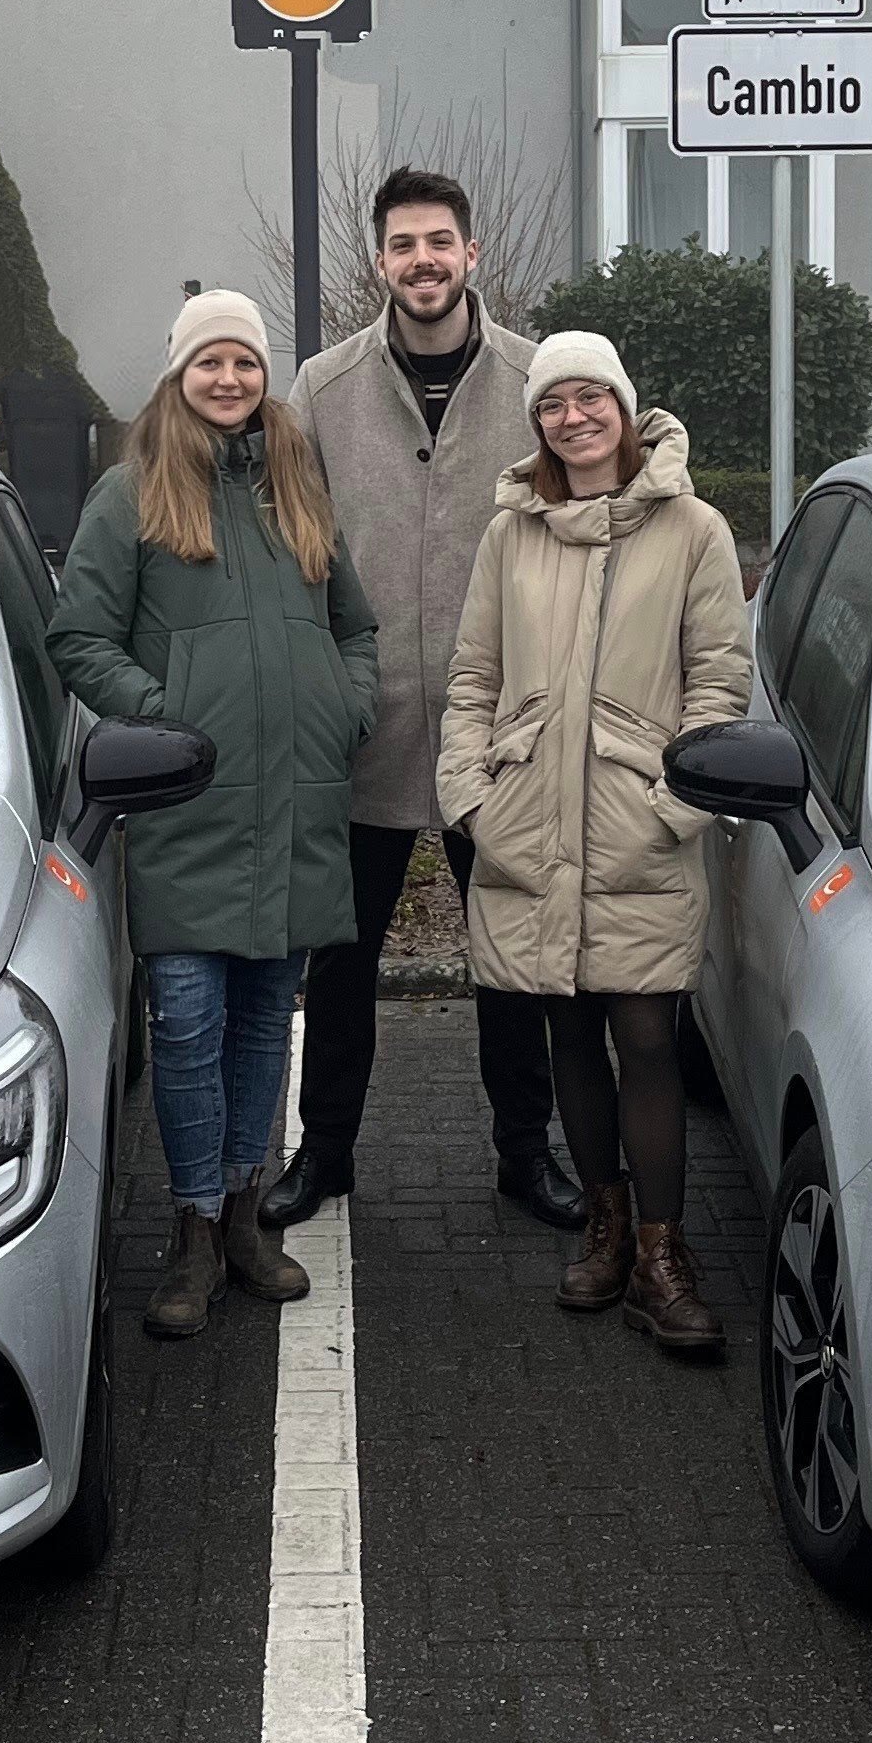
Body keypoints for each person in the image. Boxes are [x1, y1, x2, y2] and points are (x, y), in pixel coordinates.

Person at [48, 290, 382, 1338]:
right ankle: (193, 1232)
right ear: (179, 373)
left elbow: (356, 628)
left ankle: (246, 1216)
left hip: (295, 804)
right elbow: (79, 639)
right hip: (190, 803)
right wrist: (166, 718)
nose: (230, 379)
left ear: (262, 373)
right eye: (210, 363)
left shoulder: (298, 485)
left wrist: (343, 708)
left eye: (245, 362)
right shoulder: (131, 491)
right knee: (185, 1025)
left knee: (258, 1029)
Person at [276, 169, 582, 1234]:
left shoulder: (539, 379)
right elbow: (291, 547)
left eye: (439, 241)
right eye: (403, 244)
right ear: (379, 262)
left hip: (500, 733)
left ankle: (524, 1154)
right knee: (343, 959)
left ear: (473, 253)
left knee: (507, 959)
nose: (423, 260)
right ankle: (324, 1154)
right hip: (362, 727)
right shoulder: (321, 387)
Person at [438, 330, 753, 1354]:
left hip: (639, 829)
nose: (573, 417)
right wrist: (472, 800)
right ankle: (607, 1227)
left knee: (649, 1038)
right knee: (567, 1033)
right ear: (537, 422)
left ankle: (663, 1255)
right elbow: (474, 678)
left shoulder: (694, 529)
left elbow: (718, 683)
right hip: (528, 824)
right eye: (552, 404)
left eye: (590, 398)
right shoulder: (510, 534)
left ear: (623, 403)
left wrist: (677, 804)